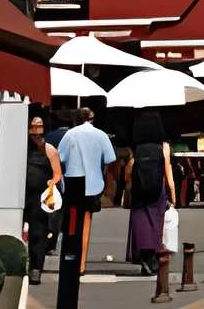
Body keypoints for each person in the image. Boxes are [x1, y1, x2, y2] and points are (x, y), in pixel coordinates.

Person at [55, 105, 118, 273]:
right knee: (86, 222)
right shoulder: (101, 135)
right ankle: (81, 262)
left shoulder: (70, 134)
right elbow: (110, 158)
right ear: (92, 119)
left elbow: (61, 156)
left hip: (73, 181)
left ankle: (70, 257)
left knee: (72, 221)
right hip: (92, 182)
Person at [124, 117, 176, 275]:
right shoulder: (163, 148)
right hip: (157, 191)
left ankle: (144, 258)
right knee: (156, 224)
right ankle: (153, 258)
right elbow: (168, 173)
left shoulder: (137, 149)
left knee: (141, 224)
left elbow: (128, 173)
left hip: (139, 191)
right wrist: (173, 195)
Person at [24, 112, 63, 283]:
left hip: (39, 198)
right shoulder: (23, 147)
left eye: (39, 129)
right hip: (22, 195)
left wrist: (51, 182)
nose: (36, 134)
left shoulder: (50, 150)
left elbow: (57, 174)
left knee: (37, 233)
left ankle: (36, 267)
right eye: (33, 129)